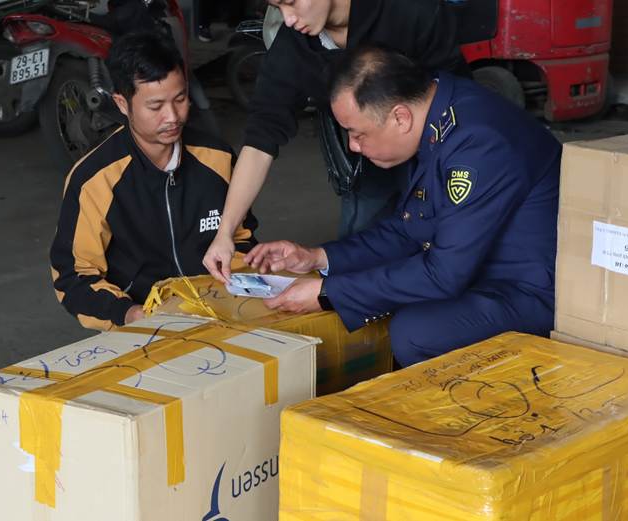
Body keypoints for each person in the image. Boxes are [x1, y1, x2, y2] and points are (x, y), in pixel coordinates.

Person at [244, 46, 561, 367]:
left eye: (357, 133)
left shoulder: (478, 144)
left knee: (414, 331)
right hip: (481, 271)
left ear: (400, 117)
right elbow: (409, 229)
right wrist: (317, 257)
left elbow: (444, 273)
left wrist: (327, 294)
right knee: (386, 295)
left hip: (530, 291)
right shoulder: (438, 112)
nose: (353, 146)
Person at [203, 0, 472, 282]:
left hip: (440, 158)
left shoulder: (411, 11)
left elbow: (457, 103)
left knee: (447, 252)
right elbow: (260, 138)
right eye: (278, 7)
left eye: (292, 3)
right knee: (358, 257)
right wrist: (225, 232)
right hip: (370, 167)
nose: (289, 19)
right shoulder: (293, 44)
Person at [50, 31, 257, 331]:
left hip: (221, 315)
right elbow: (73, 278)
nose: (172, 116)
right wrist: (132, 314)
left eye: (180, 99)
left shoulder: (218, 158)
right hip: (140, 328)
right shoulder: (94, 180)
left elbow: (242, 238)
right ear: (122, 104)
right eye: (156, 106)